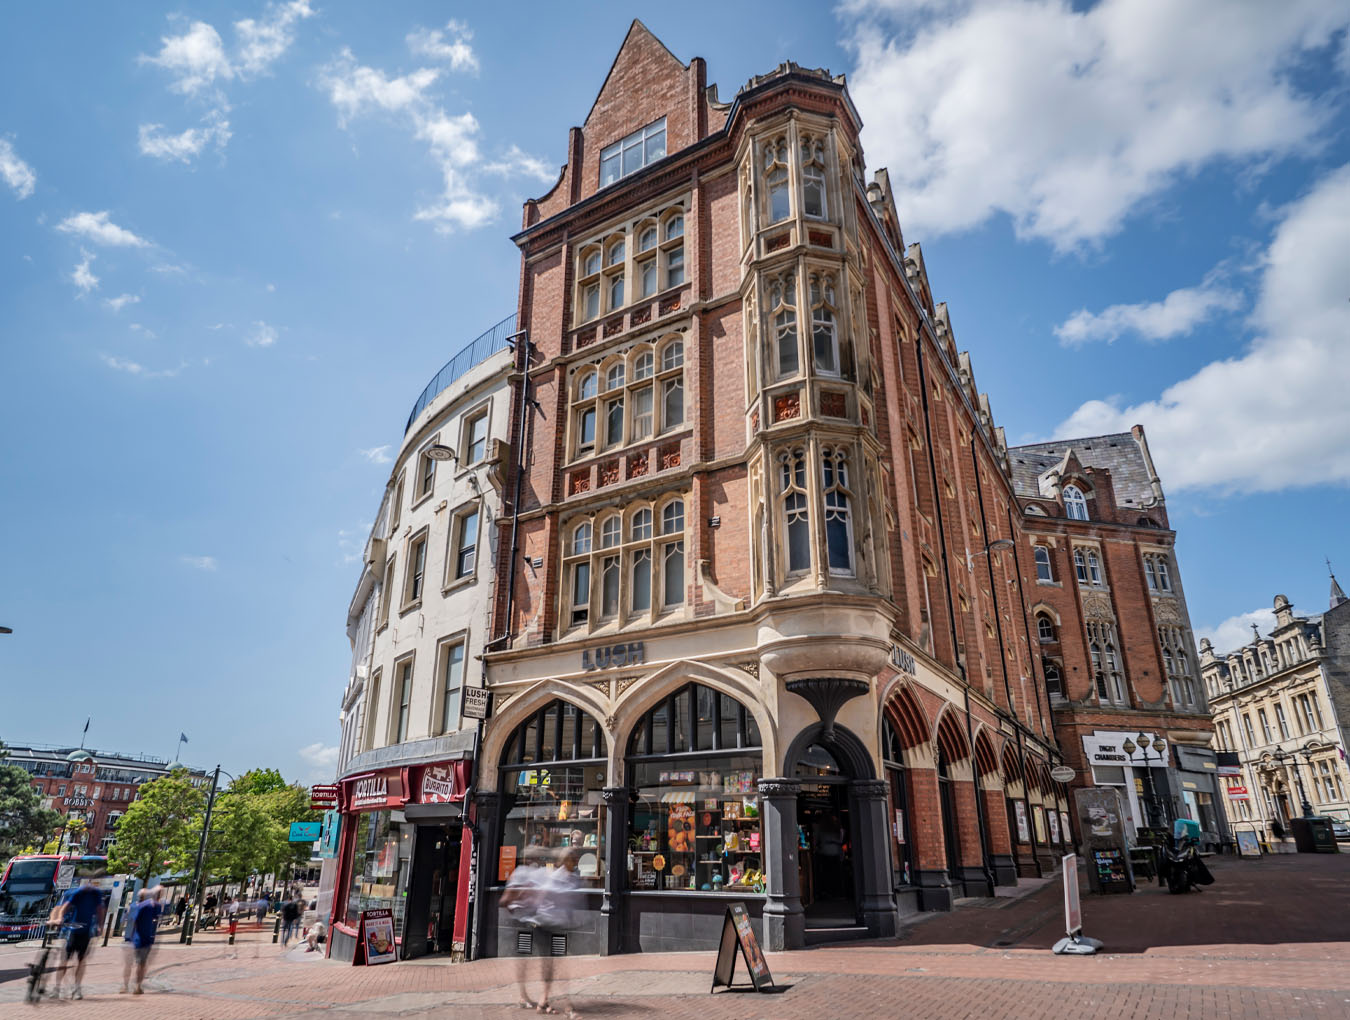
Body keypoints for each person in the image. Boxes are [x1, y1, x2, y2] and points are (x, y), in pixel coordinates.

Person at [50, 877, 106, 1001]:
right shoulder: (77, 893)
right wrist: (59, 918)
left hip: (86, 931)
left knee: (81, 960)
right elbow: (63, 907)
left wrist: (100, 926)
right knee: (64, 960)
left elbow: (100, 910)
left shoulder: (96, 894)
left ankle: (76, 988)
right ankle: (57, 988)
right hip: (72, 931)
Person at [128, 887, 164, 994]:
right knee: (142, 964)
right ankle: (137, 985)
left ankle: (132, 985)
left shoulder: (138, 905)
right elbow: (156, 917)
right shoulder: (153, 906)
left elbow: (133, 920)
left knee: (138, 963)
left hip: (136, 938)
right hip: (145, 938)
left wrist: (131, 935)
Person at [121, 888, 149, 993]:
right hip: (140, 938)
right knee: (141, 964)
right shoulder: (147, 908)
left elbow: (122, 920)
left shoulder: (132, 906)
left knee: (128, 964)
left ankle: (125, 986)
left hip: (129, 938)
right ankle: (137, 986)